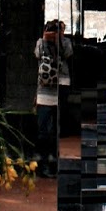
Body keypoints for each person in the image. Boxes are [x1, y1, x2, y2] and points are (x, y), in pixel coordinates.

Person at [35, 20, 72, 177]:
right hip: (44, 91)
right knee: (43, 129)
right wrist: (45, 39)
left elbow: (67, 54)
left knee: (56, 129)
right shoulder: (41, 42)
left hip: (60, 87)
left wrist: (59, 40)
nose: (54, 32)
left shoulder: (65, 42)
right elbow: (37, 55)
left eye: (59, 30)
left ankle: (54, 162)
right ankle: (42, 162)